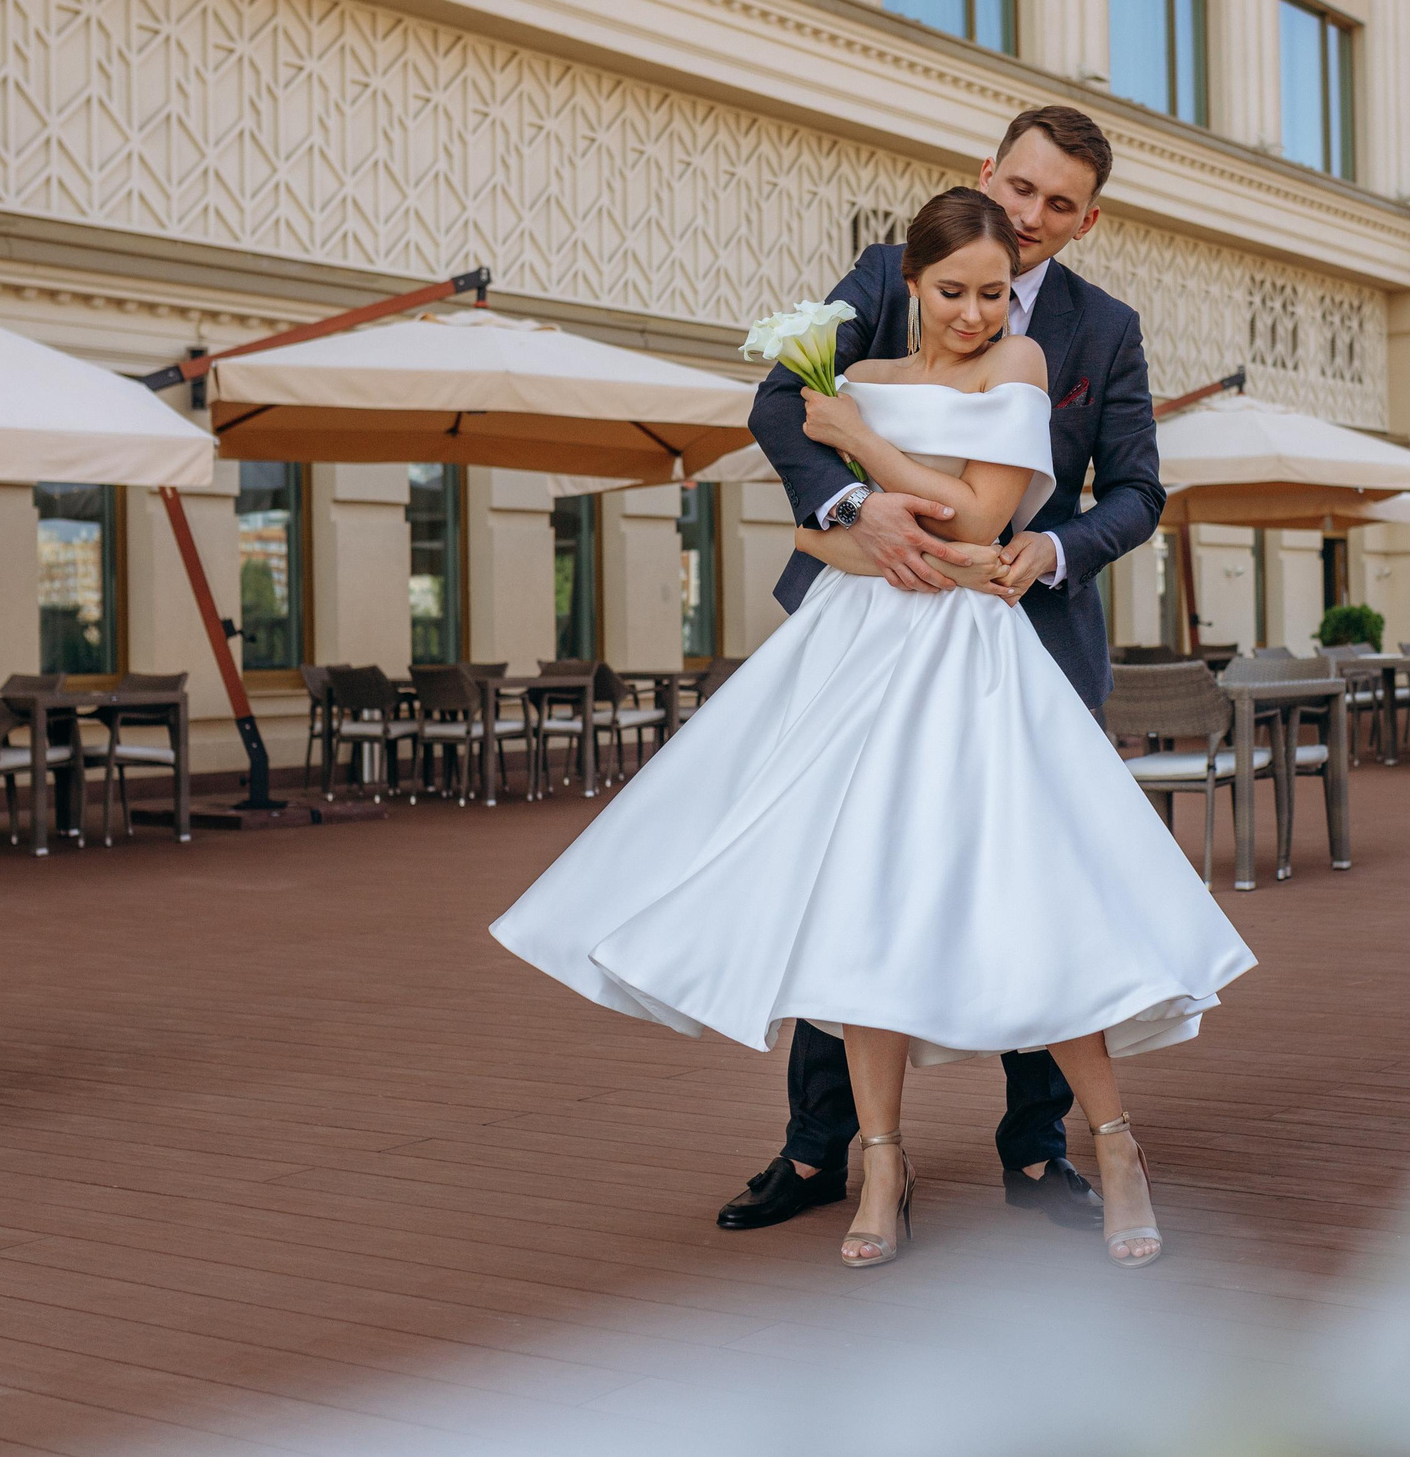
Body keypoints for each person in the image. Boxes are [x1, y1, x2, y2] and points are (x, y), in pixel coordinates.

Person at [492, 187, 1250, 1268]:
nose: (978, 312)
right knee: (857, 908)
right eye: (954, 291)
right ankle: (877, 1164)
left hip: (971, 668)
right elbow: (833, 534)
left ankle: (1108, 1147)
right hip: (855, 658)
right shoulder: (860, 373)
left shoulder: (1015, 368)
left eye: (995, 293)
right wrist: (864, 519)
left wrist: (864, 454)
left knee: (1032, 899)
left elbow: (982, 520)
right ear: (909, 282)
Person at [728, 105, 1171, 1238]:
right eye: (1018, 187)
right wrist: (852, 510)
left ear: (1086, 219)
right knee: (850, 880)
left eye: (1057, 203)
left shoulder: (1099, 328)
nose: (1029, 217)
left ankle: (1037, 1152)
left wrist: (1058, 546)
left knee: (1031, 892)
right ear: (990, 172)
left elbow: (1134, 488)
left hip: (1022, 635)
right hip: (866, 632)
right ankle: (823, 1152)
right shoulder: (892, 272)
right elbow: (786, 405)